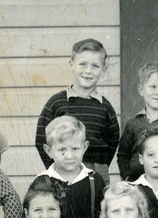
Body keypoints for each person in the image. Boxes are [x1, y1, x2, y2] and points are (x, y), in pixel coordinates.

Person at [35, 38, 119, 184]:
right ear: (71, 65)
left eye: (95, 66)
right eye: (82, 64)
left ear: (103, 70)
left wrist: (99, 166)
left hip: (96, 172)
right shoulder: (57, 103)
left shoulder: (105, 107)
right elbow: (41, 137)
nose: (88, 71)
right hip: (63, 169)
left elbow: (113, 140)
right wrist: (56, 166)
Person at [34, 115, 106, 218]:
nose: (69, 156)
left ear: (85, 147)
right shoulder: (41, 183)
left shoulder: (95, 181)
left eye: (75, 149)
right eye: (62, 150)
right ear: (48, 151)